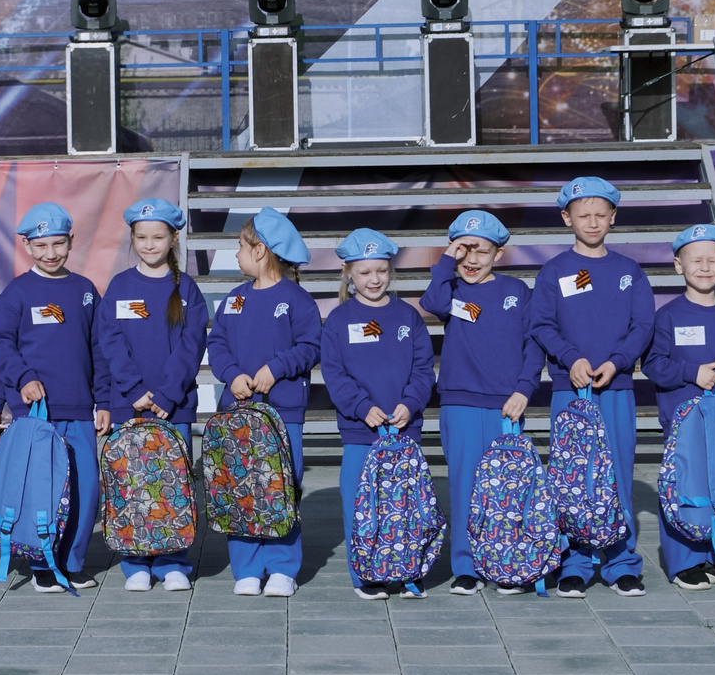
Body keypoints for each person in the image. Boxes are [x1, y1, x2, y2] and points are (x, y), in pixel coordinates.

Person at [526, 176, 654, 597]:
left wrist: (618, 363)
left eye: (601, 215)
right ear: (567, 218)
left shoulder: (629, 272)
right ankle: (575, 561)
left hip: (615, 392)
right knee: (571, 478)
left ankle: (621, 560)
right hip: (570, 389)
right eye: (584, 215)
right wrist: (572, 359)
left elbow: (643, 326)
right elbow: (541, 323)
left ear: (613, 217)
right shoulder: (555, 271)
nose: (593, 222)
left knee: (616, 473)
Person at [0, 201, 105, 591]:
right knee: (44, 491)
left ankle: (70, 561)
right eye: (41, 246)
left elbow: (98, 348)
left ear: (71, 241)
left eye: (58, 244)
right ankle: (42, 565)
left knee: (86, 488)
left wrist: (103, 400)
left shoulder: (85, 291)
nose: (50, 253)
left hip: (81, 410)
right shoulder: (18, 292)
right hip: (36, 413)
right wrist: (22, 378)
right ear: (27, 247)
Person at [202, 206, 320, 598]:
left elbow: (310, 346)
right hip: (237, 414)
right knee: (240, 486)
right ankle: (247, 567)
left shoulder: (298, 300)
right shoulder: (234, 300)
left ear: (260, 251)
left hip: (284, 412)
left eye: (240, 246)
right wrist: (233, 374)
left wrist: (277, 368)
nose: (236, 254)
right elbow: (216, 343)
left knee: (281, 486)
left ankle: (283, 567)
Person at [419, 210, 538, 595]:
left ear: (498, 254)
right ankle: (466, 565)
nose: (472, 259)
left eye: (481, 251)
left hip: (508, 405)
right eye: (464, 250)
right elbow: (431, 301)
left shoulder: (517, 292)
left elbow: (534, 345)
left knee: (508, 488)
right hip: (461, 404)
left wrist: (523, 389)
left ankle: (507, 561)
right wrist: (444, 262)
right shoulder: (450, 289)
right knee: (465, 486)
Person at [92, 198, 206, 593]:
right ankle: (135, 560)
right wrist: (135, 391)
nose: (150, 245)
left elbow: (191, 346)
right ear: (132, 239)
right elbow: (110, 342)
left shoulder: (187, 288)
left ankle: (174, 560)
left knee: (173, 484)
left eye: (158, 237)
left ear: (174, 238)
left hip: (173, 408)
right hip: (131, 405)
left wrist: (166, 394)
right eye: (142, 238)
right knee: (132, 484)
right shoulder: (121, 286)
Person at [642, 226, 715, 591]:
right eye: (696, 260)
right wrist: (692, 373)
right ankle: (684, 561)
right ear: (679, 266)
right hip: (684, 420)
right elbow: (653, 364)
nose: (705, 267)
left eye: (713, 260)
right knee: (685, 483)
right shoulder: (668, 316)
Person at [320, 228, 436, 600]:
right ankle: (366, 575)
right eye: (366, 272)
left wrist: (410, 403)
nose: (374, 279)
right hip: (360, 433)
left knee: (403, 505)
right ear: (348, 273)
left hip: (404, 432)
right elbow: (334, 374)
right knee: (360, 503)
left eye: (382, 271)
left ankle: (405, 570)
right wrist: (362, 407)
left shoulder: (408, 316)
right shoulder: (338, 320)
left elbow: (423, 369)